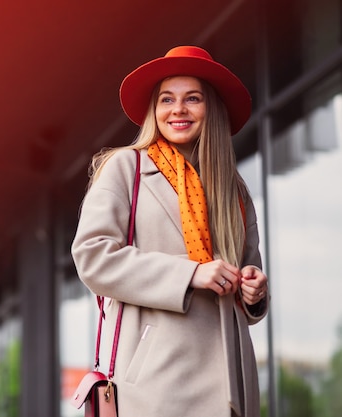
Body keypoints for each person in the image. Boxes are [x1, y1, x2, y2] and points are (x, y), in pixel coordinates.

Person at [71, 45, 269, 417]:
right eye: (167, 99)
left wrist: (255, 290)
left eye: (192, 98)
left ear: (212, 109)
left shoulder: (234, 192)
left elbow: (247, 286)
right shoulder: (125, 169)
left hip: (231, 388)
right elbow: (92, 256)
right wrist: (191, 273)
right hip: (156, 385)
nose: (178, 109)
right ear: (154, 111)